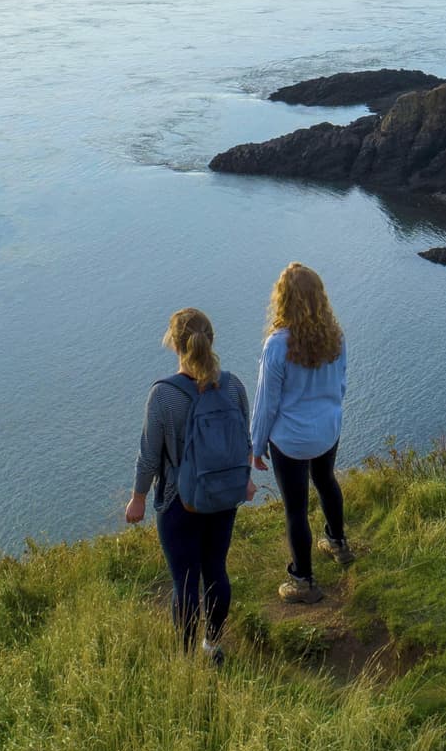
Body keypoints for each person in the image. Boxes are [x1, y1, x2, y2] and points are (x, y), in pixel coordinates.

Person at [124, 308, 255, 662]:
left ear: (174, 344)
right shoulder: (233, 385)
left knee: (185, 581)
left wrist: (137, 498)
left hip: (178, 501)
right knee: (216, 569)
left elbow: (150, 456)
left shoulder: (163, 396)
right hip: (223, 498)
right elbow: (245, 440)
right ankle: (212, 646)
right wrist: (246, 479)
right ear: (210, 340)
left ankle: (184, 659)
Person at [249, 262, 351, 603]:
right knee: (326, 481)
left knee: (295, 508)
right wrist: (328, 416)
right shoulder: (335, 336)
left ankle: (303, 580)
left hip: (292, 440)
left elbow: (266, 403)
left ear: (284, 300)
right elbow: (341, 384)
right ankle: (338, 543)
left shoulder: (277, 345)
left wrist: (257, 444)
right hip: (327, 430)